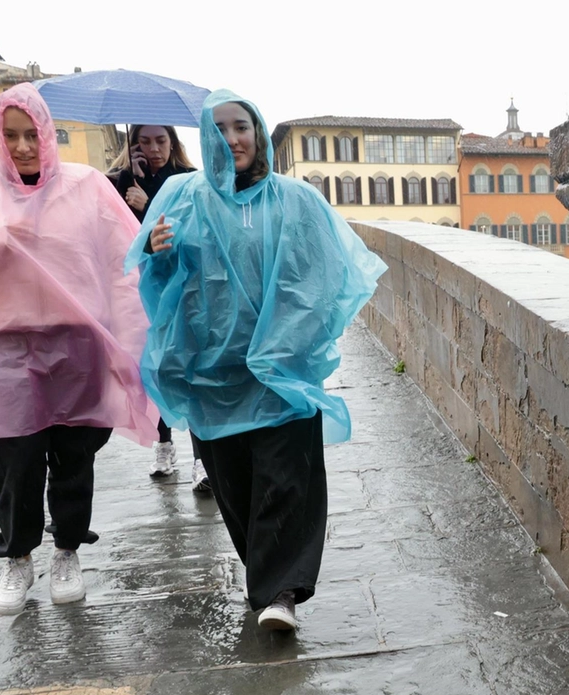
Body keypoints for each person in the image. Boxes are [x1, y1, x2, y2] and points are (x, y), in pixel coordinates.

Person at [126, 89, 386, 632]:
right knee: (236, 486)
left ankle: (281, 592)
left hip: (280, 370)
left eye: (240, 126)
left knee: (286, 479)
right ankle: (266, 579)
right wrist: (155, 250)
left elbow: (325, 275)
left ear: (258, 131)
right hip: (211, 372)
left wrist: (291, 342)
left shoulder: (296, 199)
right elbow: (154, 283)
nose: (232, 139)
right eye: (218, 129)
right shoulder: (180, 195)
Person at [0, 83, 158, 616]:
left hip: (77, 342)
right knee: (13, 455)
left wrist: (133, 340)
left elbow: (122, 261)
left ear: (48, 134)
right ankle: (18, 555)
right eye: (11, 136)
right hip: (3, 342)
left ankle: (68, 549)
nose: (24, 146)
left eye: (32, 135)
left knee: (74, 454)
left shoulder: (87, 187)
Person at [108, 124, 211, 493]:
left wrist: (148, 206)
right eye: (144, 142)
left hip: (182, 290)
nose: (153, 149)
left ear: (173, 142)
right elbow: (111, 242)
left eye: (161, 140)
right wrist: (126, 194)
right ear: (133, 145)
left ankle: (203, 459)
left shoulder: (188, 180)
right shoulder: (117, 185)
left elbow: (195, 233)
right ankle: (164, 445)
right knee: (154, 369)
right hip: (136, 294)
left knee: (190, 370)